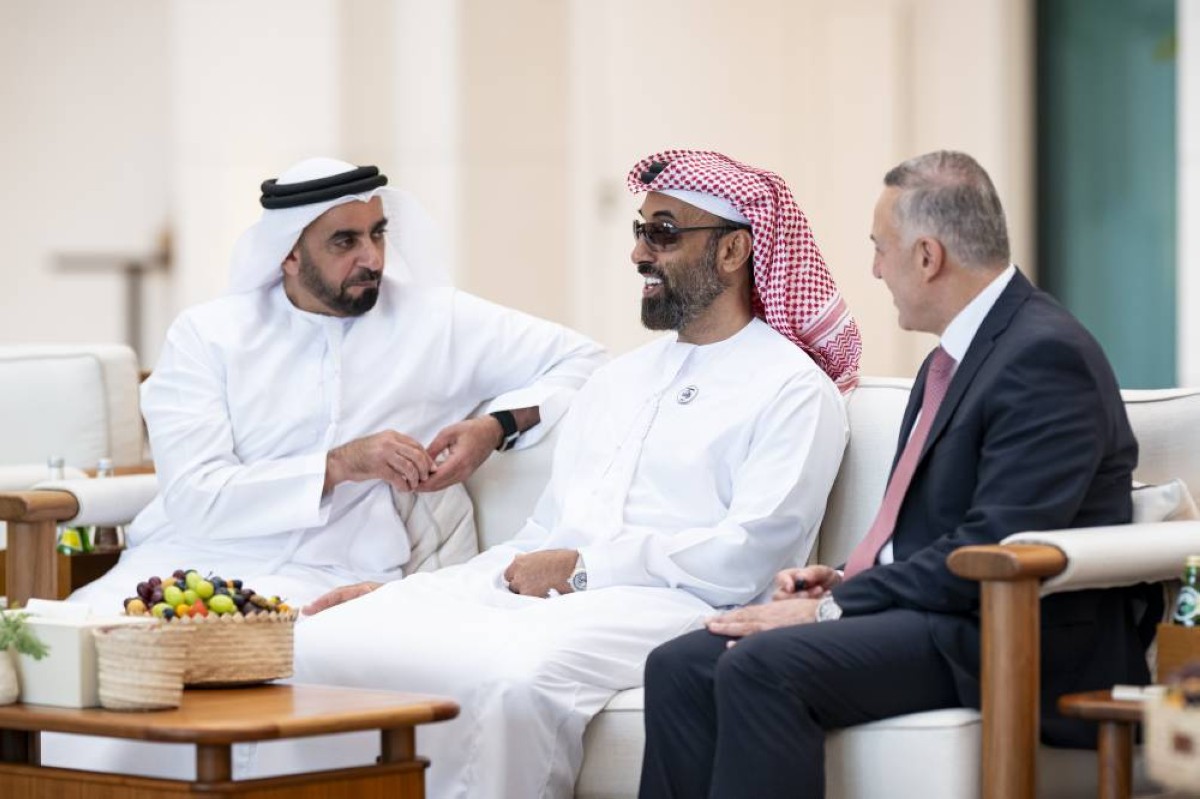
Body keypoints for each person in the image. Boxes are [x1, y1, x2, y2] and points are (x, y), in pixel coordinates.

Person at [281, 149, 861, 799]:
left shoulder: (792, 389)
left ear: (733, 253)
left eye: (664, 233)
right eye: (640, 231)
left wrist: (585, 568)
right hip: (552, 593)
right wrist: (412, 596)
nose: (639, 253)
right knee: (321, 639)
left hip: (678, 604)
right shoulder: (619, 379)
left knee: (513, 678)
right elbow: (539, 538)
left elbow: (751, 560)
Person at [638, 150, 1158, 798]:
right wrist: (851, 577)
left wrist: (832, 607)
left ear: (927, 256)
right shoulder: (953, 359)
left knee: (762, 666)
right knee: (681, 663)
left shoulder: (1045, 355)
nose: (875, 269)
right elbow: (930, 535)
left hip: (1008, 635)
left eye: (881, 249)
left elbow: (994, 544)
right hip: (935, 612)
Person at [69, 156, 606, 614]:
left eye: (377, 234)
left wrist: (497, 427)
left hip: (335, 581)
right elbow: (195, 497)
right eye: (345, 241)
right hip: (181, 566)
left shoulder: (436, 321)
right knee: (68, 655)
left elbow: (587, 360)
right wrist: (339, 464)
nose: (371, 258)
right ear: (289, 253)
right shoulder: (208, 335)